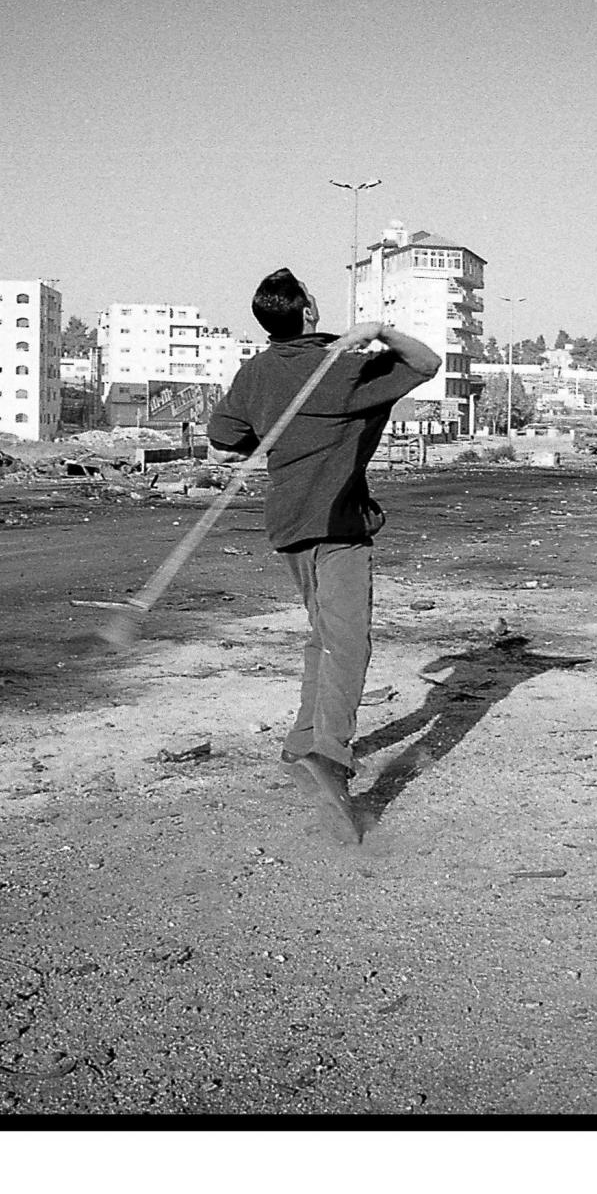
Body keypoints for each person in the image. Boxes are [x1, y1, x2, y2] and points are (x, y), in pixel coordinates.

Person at [207, 268, 440, 845]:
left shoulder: (255, 371)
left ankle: (301, 743)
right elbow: (426, 362)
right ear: (308, 312)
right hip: (337, 521)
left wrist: (276, 431)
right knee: (348, 640)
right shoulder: (344, 368)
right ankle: (329, 758)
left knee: (324, 636)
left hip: (289, 525)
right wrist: (379, 329)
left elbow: (223, 435)